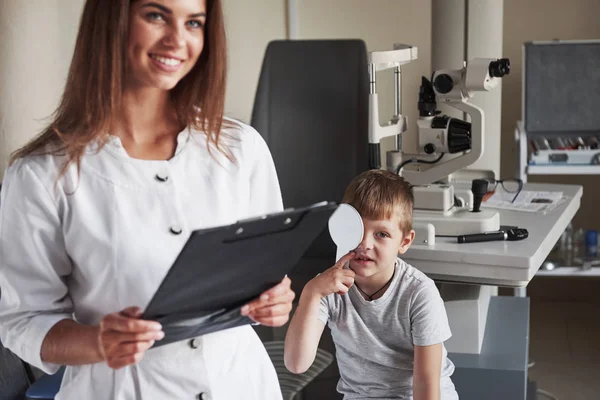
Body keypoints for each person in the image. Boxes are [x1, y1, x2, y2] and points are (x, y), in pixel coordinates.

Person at [0, 0, 294, 399]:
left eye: (194, 22)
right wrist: (97, 343)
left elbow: (264, 275)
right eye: (156, 15)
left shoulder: (241, 149)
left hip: (240, 384)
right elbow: (22, 320)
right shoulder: (42, 174)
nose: (177, 40)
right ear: (111, 21)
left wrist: (274, 300)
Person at [284, 169, 458, 400]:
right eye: (357, 230)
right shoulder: (327, 287)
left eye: (382, 234)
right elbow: (297, 364)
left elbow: (426, 386)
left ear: (404, 242)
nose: (364, 243)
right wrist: (311, 293)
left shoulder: (419, 293)